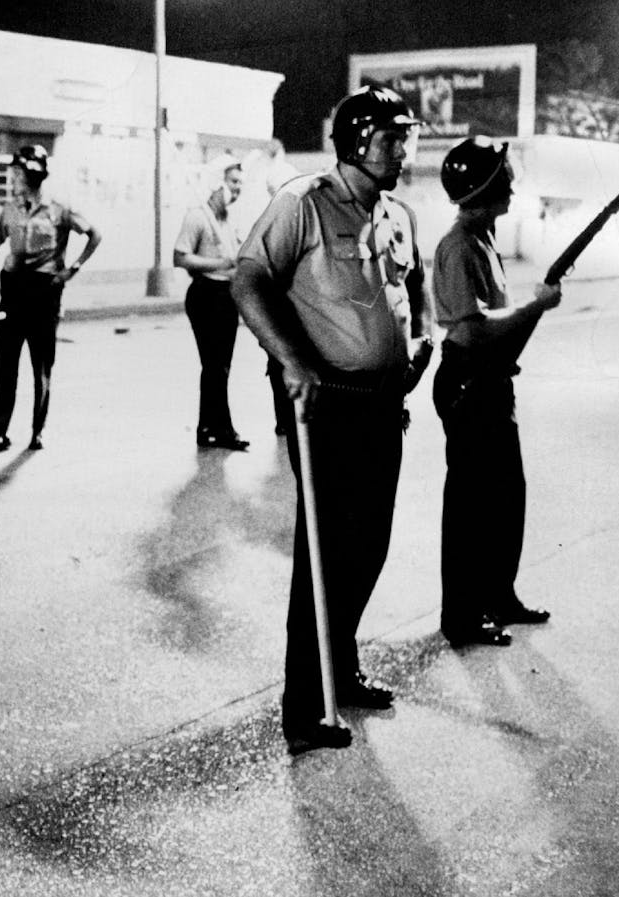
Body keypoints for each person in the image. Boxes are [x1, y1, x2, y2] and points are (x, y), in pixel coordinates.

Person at [231, 86, 432, 756]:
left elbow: (408, 290)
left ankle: (339, 669)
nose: (402, 150)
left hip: (383, 404)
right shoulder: (303, 202)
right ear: (356, 140)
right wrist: (292, 360)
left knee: (369, 545)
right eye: (391, 138)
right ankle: (304, 705)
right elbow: (249, 280)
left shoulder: (395, 213)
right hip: (329, 407)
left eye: (405, 138)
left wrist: (416, 346)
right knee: (324, 557)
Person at [433, 137, 559, 649]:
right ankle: (462, 615)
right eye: (503, 175)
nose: (511, 183)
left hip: (490, 382)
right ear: (485, 186)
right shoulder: (459, 245)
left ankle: (498, 595)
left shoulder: (484, 237)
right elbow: (472, 329)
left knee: (506, 495)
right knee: (471, 504)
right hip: (469, 381)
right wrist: (534, 308)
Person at [0, 144, 101, 451]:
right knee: (5, 363)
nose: (14, 178)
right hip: (12, 293)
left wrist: (72, 270)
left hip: (44, 295)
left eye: (19, 173)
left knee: (42, 366)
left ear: (34, 174)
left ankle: (38, 430)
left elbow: (94, 235)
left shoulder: (59, 208)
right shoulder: (9, 209)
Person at [173, 159, 250, 450]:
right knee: (215, 365)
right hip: (206, 293)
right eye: (233, 182)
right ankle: (223, 429)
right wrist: (220, 262)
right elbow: (180, 257)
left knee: (219, 366)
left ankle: (207, 427)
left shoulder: (228, 219)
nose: (237, 189)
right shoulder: (197, 216)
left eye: (240, 183)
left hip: (227, 294)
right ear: (217, 184)